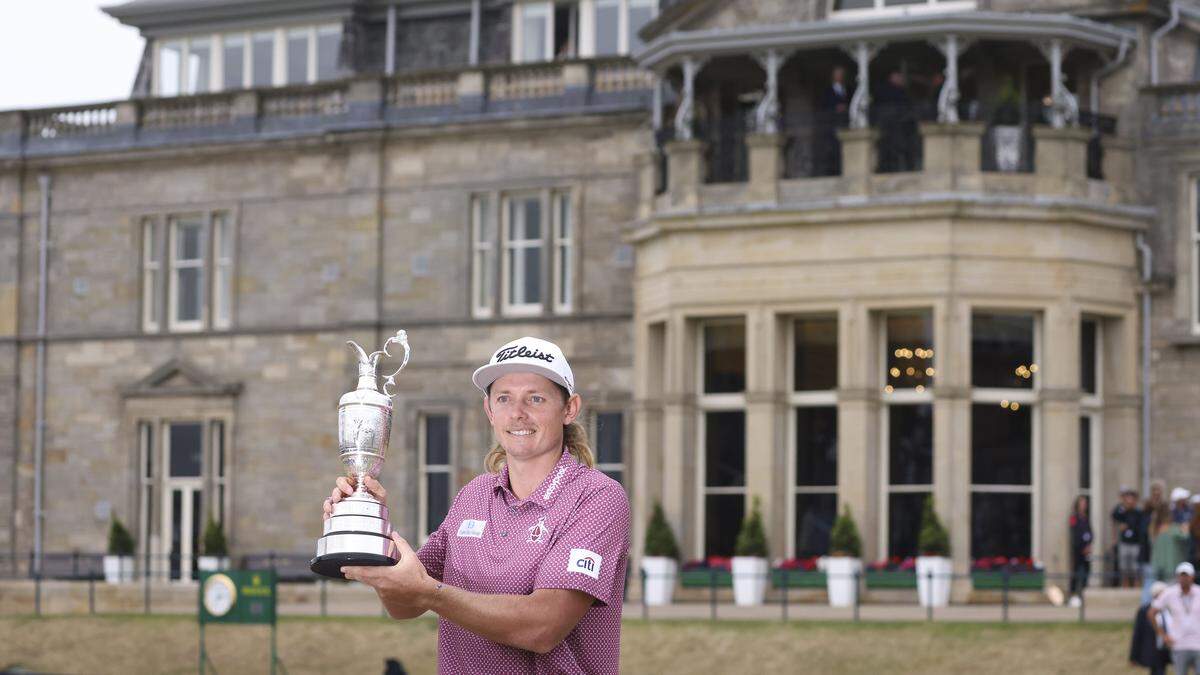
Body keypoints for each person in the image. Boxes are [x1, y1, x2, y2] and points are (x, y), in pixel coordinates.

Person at [327, 336, 632, 674]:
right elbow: (404, 604)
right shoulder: (474, 494)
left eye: (535, 398)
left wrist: (431, 594)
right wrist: (374, 528)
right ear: (489, 410)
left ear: (569, 409)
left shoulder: (598, 497)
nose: (517, 413)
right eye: (504, 398)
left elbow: (543, 627)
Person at [1150, 562, 1200, 674]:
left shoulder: (1198, 592)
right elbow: (1152, 613)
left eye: (1186, 575)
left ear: (1192, 576)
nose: (1184, 579)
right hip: (1179, 643)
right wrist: (1163, 635)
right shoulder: (1170, 593)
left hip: (1198, 643)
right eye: (1181, 576)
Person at [873, 69, 918, 172]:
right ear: (892, 77)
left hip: (901, 127)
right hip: (890, 126)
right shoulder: (885, 90)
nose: (901, 79)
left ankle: (903, 168)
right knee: (888, 150)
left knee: (901, 149)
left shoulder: (903, 91)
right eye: (898, 76)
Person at [1131, 581, 1172, 675]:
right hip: (1153, 650)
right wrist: (1133, 656)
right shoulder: (1144, 611)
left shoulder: (1169, 610)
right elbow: (1138, 633)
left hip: (1166, 650)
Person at [816, 65, 850, 176]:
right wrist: (835, 108)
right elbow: (823, 106)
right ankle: (831, 172)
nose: (839, 76)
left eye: (841, 74)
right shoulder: (827, 91)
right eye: (837, 74)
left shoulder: (848, 89)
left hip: (845, 124)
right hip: (831, 125)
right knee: (832, 150)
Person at [1143, 481, 1169, 604]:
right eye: (1154, 490)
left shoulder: (1164, 507)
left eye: (1159, 491)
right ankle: (1146, 605)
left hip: (1162, 546)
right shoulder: (1147, 507)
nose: (1156, 493)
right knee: (1150, 578)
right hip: (1151, 549)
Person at [1114, 487, 1144, 588]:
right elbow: (1114, 515)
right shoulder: (1122, 511)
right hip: (1124, 542)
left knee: (1135, 566)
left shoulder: (1138, 513)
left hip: (1135, 542)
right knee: (1124, 566)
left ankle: (1136, 584)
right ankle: (1125, 585)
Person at [1069, 494, 1093, 607]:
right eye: (1082, 503)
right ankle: (1072, 595)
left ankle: (1083, 594)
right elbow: (1074, 534)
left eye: (1085, 503)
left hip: (1087, 550)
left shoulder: (1086, 518)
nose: (1084, 505)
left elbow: (1090, 533)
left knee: (1086, 572)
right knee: (1075, 572)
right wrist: (1081, 547)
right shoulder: (1074, 517)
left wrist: (1088, 546)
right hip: (1078, 550)